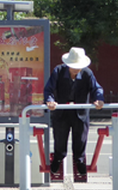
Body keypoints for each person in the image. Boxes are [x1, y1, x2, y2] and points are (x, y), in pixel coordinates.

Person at [43, 47, 104, 182]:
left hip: (80, 111)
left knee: (81, 139)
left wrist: (99, 99)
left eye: (79, 67)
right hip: (62, 112)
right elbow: (49, 90)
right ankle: (58, 158)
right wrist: (50, 101)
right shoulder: (58, 71)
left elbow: (97, 88)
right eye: (73, 67)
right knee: (60, 139)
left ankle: (79, 160)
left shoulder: (87, 73)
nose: (76, 69)